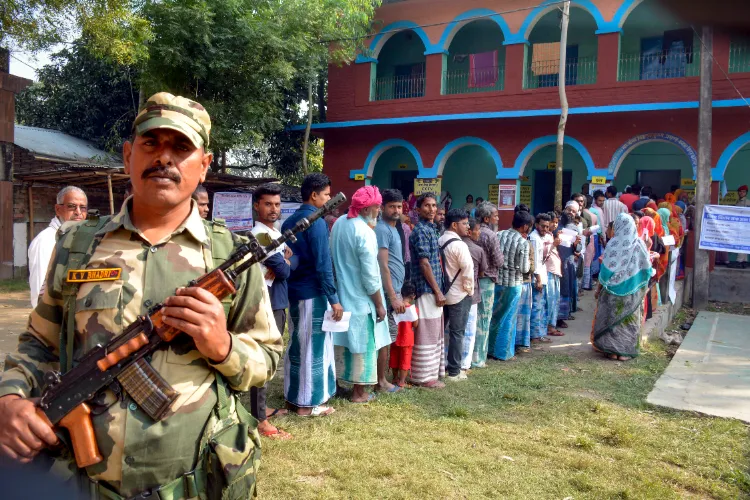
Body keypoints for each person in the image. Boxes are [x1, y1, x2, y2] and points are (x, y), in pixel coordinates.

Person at [0, 92, 282, 498]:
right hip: (81, 484)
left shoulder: (228, 257)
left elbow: (267, 358)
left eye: (181, 147)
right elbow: (37, 343)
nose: (164, 157)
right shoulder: (77, 246)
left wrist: (222, 346)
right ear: (129, 154)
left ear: (204, 166)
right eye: (151, 143)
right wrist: (10, 398)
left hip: (194, 483)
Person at [283, 173, 342, 417]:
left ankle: (294, 396)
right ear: (314, 195)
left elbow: (290, 260)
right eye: (327, 194)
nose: (329, 199)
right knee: (312, 347)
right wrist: (334, 299)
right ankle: (307, 404)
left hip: (294, 291)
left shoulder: (290, 221)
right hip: (311, 292)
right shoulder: (315, 221)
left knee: (297, 344)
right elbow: (322, 264)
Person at [331, 186, 390, 403]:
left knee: (342, 343)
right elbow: (371, 275)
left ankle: (337, 385)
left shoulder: (339, 224)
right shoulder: (365, 232)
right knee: (364, 344)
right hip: (361, 298)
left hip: (341, 294)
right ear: (367, 209)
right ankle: (359, 392)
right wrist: (379, 304)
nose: (379, 211)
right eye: (377, 207)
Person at [250, 183, 292, 439]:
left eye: (277, 204)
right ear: (257, 206)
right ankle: (259, 420)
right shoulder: (260, 236)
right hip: (266, 302)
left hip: (277, 299)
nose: (273, 209)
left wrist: (285, 260)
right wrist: (285, 260)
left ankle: (262, 409)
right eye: (268, 204)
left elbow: (286, 264)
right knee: (262, 359)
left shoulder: (273, 233)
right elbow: (286, 270)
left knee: (269, 359)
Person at [592, 214, 654, 361]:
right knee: (628, 321)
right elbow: (647, 269)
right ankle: (623, 352)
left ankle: (611, 351)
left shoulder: (613, 243)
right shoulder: (639, 244)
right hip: (632, 291)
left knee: (611, 319)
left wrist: (598, 288)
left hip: (611, 291)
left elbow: (605, 270)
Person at [27, 186, 87, 308]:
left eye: (83, 207)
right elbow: (39, 289)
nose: (78, 212)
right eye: (71, 206)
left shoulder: (79, 237)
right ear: (58, 209)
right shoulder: (46, 240)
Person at [408, 193, 446, 388]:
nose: (431, 209)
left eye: (433, 206)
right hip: (426, 289)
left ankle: (432, 373)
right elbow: (424, 264)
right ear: (418, 209)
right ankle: (422, 377)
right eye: (427, 206)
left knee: (434, 331)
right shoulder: (421, 231)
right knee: (426, 333)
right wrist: (437, 291)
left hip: (433, 289)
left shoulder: (431, 229)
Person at [488, 210, 533, 361]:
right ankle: (503, 352)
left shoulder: (499, 234)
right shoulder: (523, 242)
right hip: (513, 284)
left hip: (497, 281)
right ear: (525, 226)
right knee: (508, 318)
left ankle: (488, 349)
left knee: (494, 315)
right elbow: (524, 268)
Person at [375, 189, 406, 393]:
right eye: (392, 206)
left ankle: (382, 379)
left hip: (394, 289)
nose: (396, 210)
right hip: (387, 293)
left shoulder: (395, 228)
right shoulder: (382, 229)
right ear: (382, 207)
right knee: (384, 337)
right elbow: (382, 265)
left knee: (389, 336)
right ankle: (381, 381)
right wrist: (392, 296)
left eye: (399, 206)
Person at [439, 209, 474, 381]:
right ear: (454, 224)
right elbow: (468, 271)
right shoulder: (460, 245)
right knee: (457, 333)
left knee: (439, 332)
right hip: (459, 294)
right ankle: (454, 371)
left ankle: (437, 368)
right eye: (465, 223)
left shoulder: (440, 240)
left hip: (441, 293)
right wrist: (469, 291)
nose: (468, 226)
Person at [472, 202, 503, 368]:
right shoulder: (490, 235)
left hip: (472, 278)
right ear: (486, 218)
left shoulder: (472, 231)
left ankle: (471, 355)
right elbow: (499, 261)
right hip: (487, 280)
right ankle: (479, 358)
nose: (497, 218)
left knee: (473, 318)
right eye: (495, 215)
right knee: (484, 318)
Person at [461, 219, 487, 374]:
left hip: (454, 293)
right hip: (472, 293)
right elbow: (482, 273)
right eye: (478, 230)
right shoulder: (477, 250)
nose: (480, 233)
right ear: (470, 231)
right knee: (469, 331)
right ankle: (465, 363)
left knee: (453, 330)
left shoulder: (450, 244)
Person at [529, 213, 554, 343]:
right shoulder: (534, 238)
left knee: (541, 306)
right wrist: (538, 279)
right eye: (543, 226)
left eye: (547, 227)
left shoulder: (541, 238)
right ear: (536, 225)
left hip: (542, 277)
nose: (545, 229)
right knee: (537, 307)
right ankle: (535, 336)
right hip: (536, 279)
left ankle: (539, 334)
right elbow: (535, 261)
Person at [389, 281, 418, 388]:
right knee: (405, 359)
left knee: (394, 357)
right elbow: (415, 324)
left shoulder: (395, 307)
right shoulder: (413, 309)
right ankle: (402, 381)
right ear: (413, 296)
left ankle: (394, 378)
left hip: (395, 336)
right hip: (407, 338)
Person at [557, 211, 583, 326]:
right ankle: (561, 316)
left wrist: (576, 243)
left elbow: (578, 247)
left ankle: (564, 314)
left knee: (566, 288)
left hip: (567, 262)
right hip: (561, 263)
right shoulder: (556, 230)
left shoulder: (572, 229)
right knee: (563, 289)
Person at [545, 212, 564, 333]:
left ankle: (552, 324)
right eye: (553, 222)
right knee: (550, 299)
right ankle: (549, 326)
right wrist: (554, 244)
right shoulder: (545, 236)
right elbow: (542, 252)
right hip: (549, 271)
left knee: (555, 299)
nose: (555, 225)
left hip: (555, 271)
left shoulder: (551, 235)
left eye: (557, 222)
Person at [730, 185, 749, 268]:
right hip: (740, 225)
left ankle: (739, 261)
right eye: (740, 191)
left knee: (742, 242)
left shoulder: (747, 202)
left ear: (746, 193)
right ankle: (744, 261)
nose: (741, 193)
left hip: (745, 226)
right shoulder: (738, 202)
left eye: (743, 191)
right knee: (743, 242)